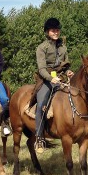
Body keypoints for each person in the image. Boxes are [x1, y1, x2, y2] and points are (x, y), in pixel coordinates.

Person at [35, 18, 73, 152]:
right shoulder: (41, 48)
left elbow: (65, 65)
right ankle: (39, 139)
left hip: (61, 78)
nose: (55, 32)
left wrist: (68, 72)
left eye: (57, 30)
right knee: (40, 105)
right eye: (53, 30)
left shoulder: (63, 47)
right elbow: (41, 69)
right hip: (45, 79)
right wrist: (51, 79)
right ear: (47, 32)